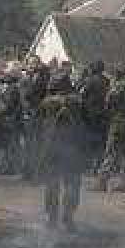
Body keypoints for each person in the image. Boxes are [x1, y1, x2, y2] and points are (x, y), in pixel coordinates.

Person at [35, 74, 86, 230]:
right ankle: (68, 218)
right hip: (72, 147)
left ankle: (52, 219)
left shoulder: (46, 103)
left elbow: (38, 124)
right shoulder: (77, 102)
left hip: (51, 146)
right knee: (72, 182)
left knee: (52, 183)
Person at [95, 63, 125, 190]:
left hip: (119, 121)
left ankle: (102, 182)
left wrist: (110, 111)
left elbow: (109, 101)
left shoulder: (120, 84)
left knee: (111, 151)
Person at [78, 60, 110, 171]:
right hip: (103, 113)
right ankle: (98, 163)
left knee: (89, 139)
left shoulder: (90, 81)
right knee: (101, 140)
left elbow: (82, 94)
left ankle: (89, 165)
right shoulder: (106, 80)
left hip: (90, 114)